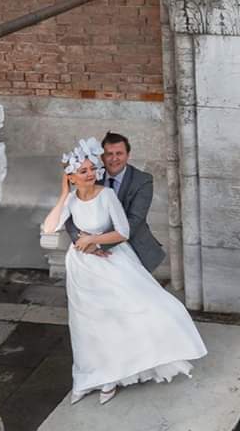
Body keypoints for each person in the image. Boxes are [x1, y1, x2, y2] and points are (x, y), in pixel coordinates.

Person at [43, 138, 207, 405]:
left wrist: (94, 242)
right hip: (81, 267)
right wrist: (63, 195)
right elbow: (51, 228)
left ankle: (113, 375)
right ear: (71, 177)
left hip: (111, 260)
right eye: (84, 170)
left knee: (122, 316)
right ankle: (86, 376)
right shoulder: (71, 199)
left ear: (127, 154)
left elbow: (125, 230)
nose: (92, 172)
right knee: (85, 323)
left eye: (91, 169)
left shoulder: (108, 194)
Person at [65, 131, 166, 273]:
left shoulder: (142, 180)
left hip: (132, 244)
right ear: (101, 156)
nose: (114, 159)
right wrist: (81, 240)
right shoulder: (91, 175)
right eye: (109, 154)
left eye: (119, 153)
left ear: (128, 155)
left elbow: (135, 220)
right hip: (90, 250)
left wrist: (98, 244)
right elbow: (70, 211)